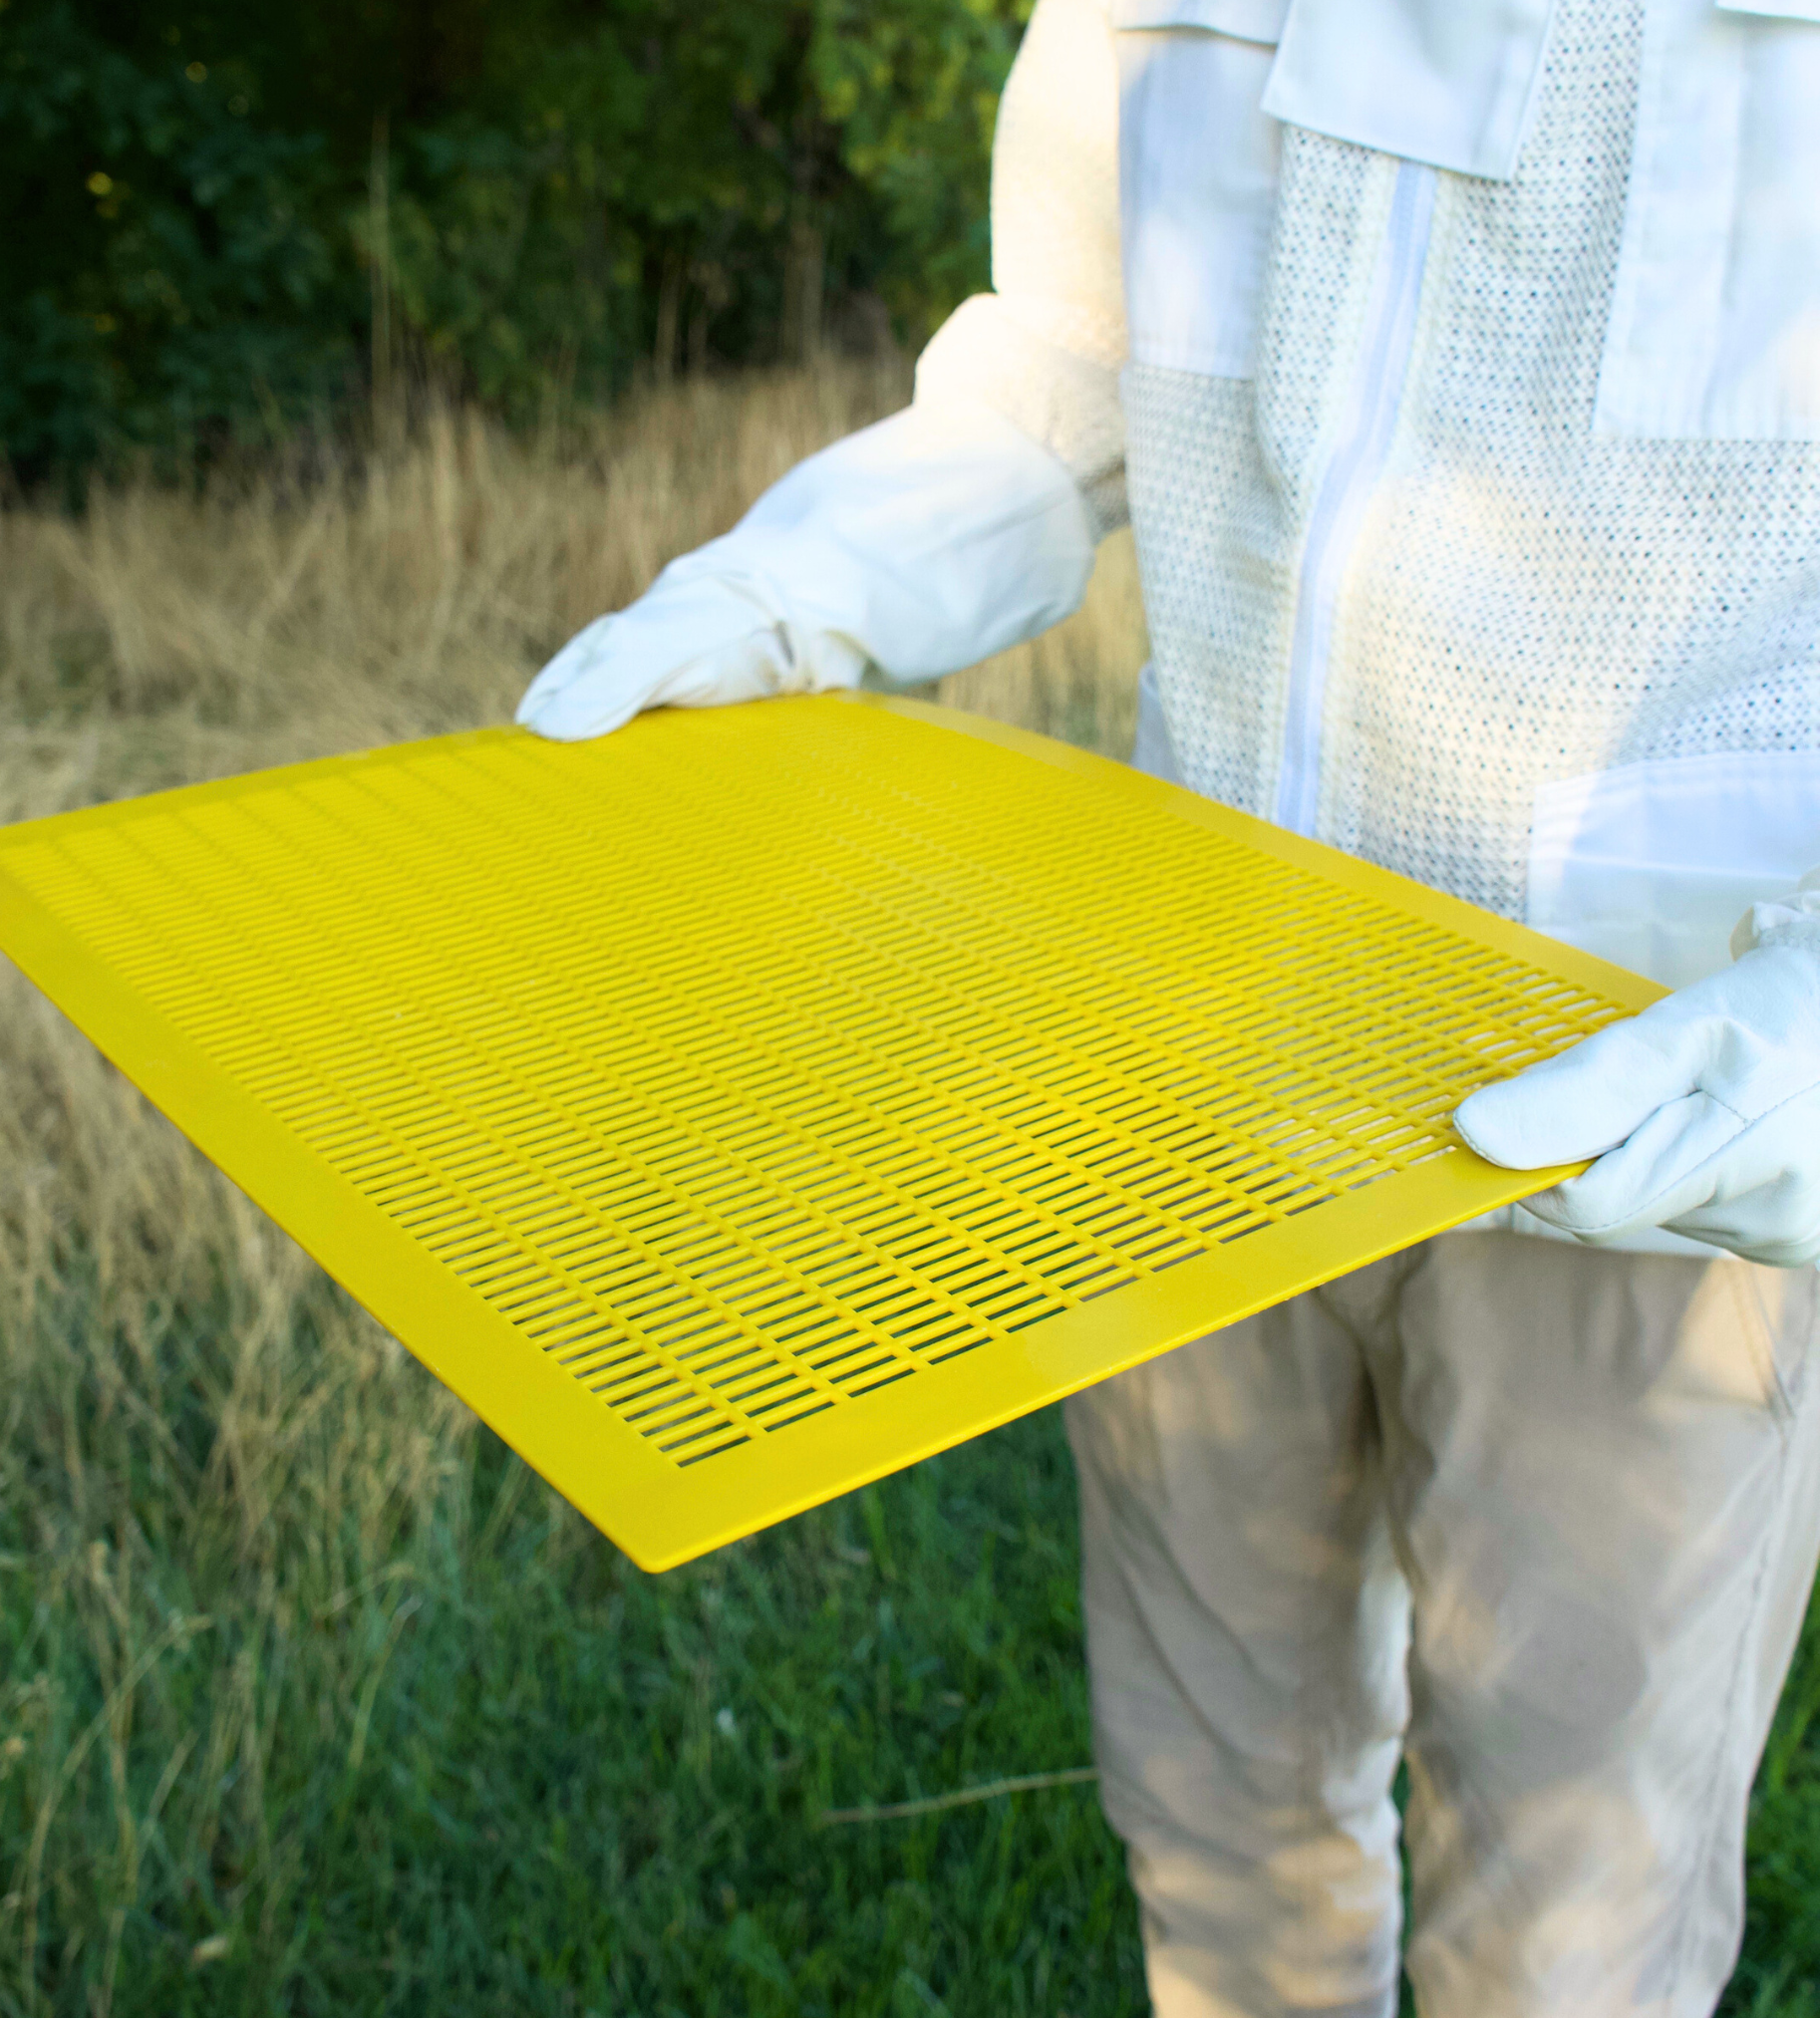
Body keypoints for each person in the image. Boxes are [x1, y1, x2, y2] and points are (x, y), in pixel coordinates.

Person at [515, 0, 1820, 2009]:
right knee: (1214, 1811)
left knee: (1570, 1920)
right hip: (1198, 1065)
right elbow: (1060, 368)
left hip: (1650, 1112)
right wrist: (799, 581)